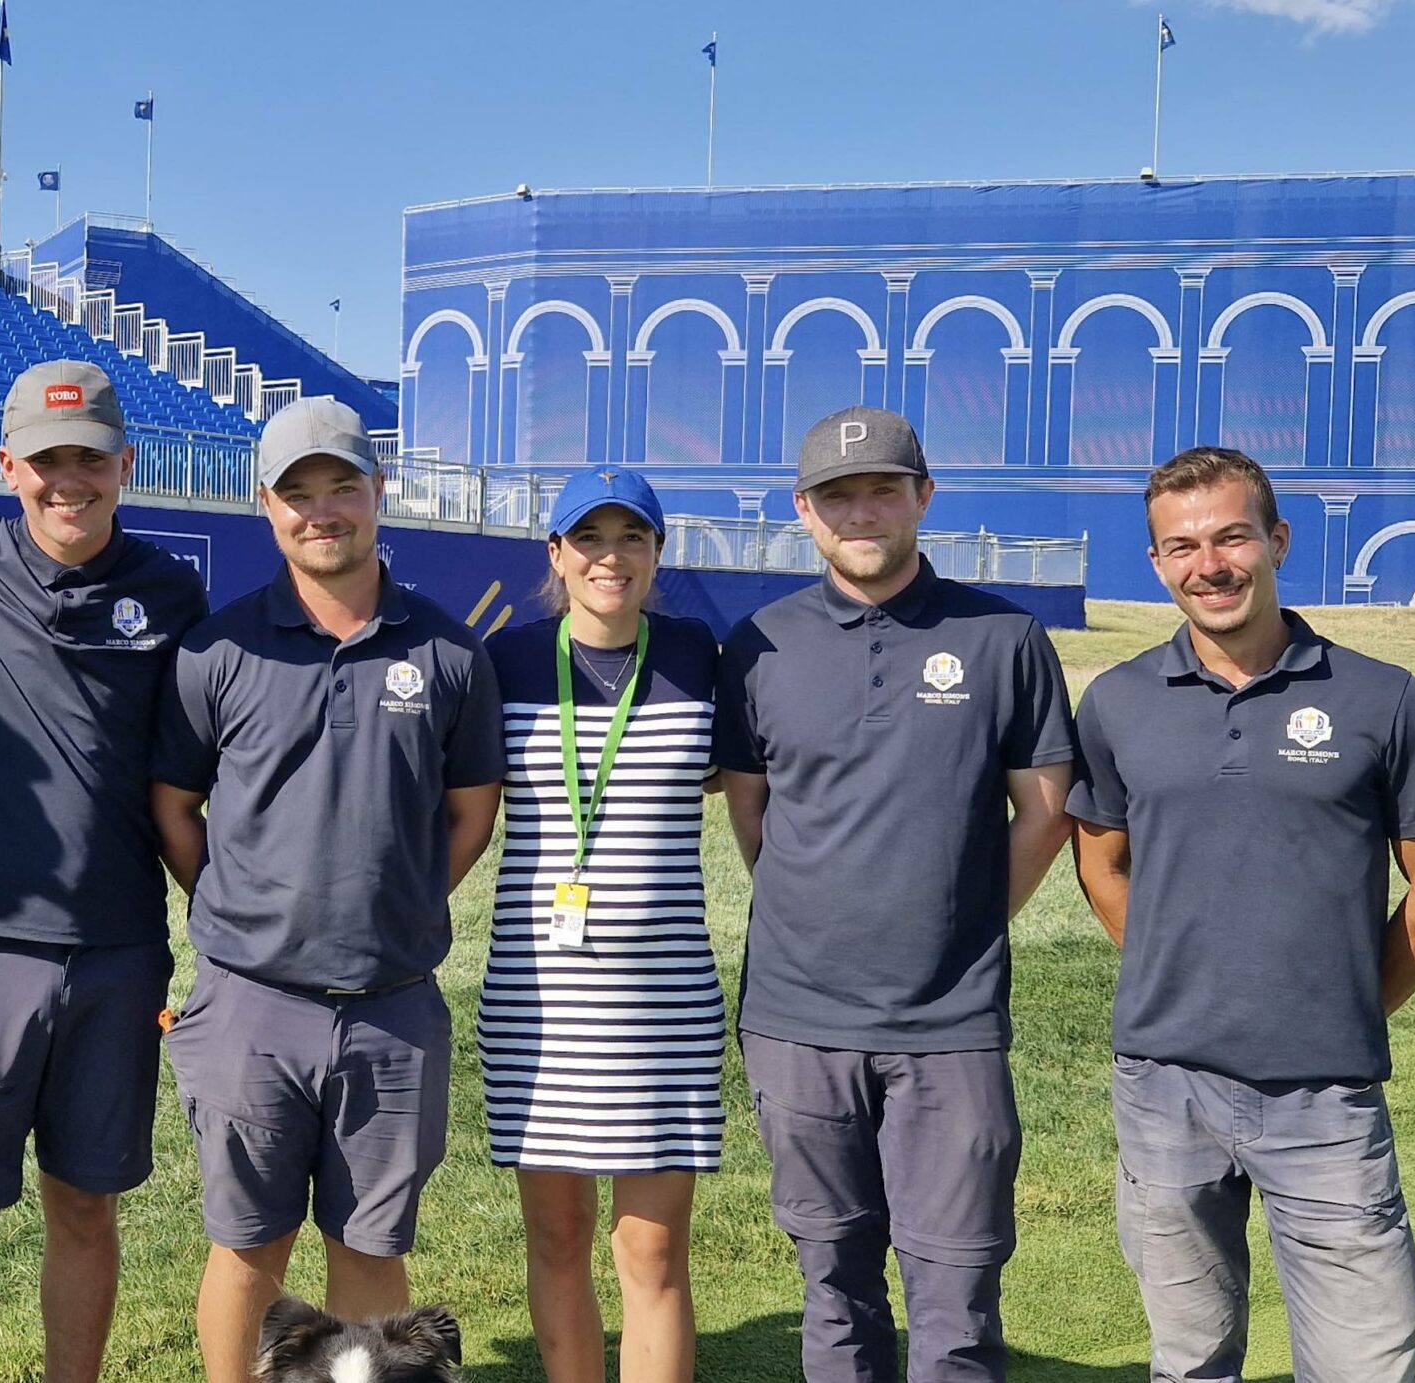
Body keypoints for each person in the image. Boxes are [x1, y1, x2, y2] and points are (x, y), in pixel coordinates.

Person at [1067, 447, 1415, 1383]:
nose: (1208, 565)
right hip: (1163, 1086)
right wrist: (1182, 972)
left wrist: (1343, 1001)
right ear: (1157, 562)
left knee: (1363, 1364)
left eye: (1230, 537)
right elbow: (1100, 860)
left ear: (1277, 540)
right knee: (1190, 1359)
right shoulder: (1118, 701)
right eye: (1180, 546)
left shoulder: (1383, 697)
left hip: (1324, 1096)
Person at [714, 406, 1076, 1382]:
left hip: (948, 1027)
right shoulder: (759, 645)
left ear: (924, 496)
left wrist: (956, 926)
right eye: (837, 494)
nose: (860, 511)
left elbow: (1043, 815)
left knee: (955, 1303)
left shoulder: (1002, 637)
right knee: (834, 1292)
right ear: (803, 510)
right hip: (796, 1023)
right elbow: (754, 817)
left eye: (882, 488)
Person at [150, 396, 506, 1383]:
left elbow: (472, 808)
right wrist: (233, 913)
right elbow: (176, 806)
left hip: (391, 1008)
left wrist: (402, 904)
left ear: (376, 491)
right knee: (247, 1248)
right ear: (265, 505)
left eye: (340, 486)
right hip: (249, 1007)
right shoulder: (218, 650)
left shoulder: (444, 650)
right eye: (296, 493)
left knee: (370, 1247)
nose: (321, 511)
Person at [0, 360, 208, 1383]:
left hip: (118, 951)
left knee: (85, 1203)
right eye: (43, 460)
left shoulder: (170, 590)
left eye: (88, 458)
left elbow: (202, 766)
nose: (66, 480)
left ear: (126, 462)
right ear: (6, 465)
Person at [478, 464, 724, 1383]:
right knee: (556, 1235)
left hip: (663, 1010)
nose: (610, 557)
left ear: (658, 552)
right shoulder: (506, 661)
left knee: (652, 1253)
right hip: (540, 1005)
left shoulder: (700, 656)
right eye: (590, 538)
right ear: (556, 553)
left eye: (632, 537)